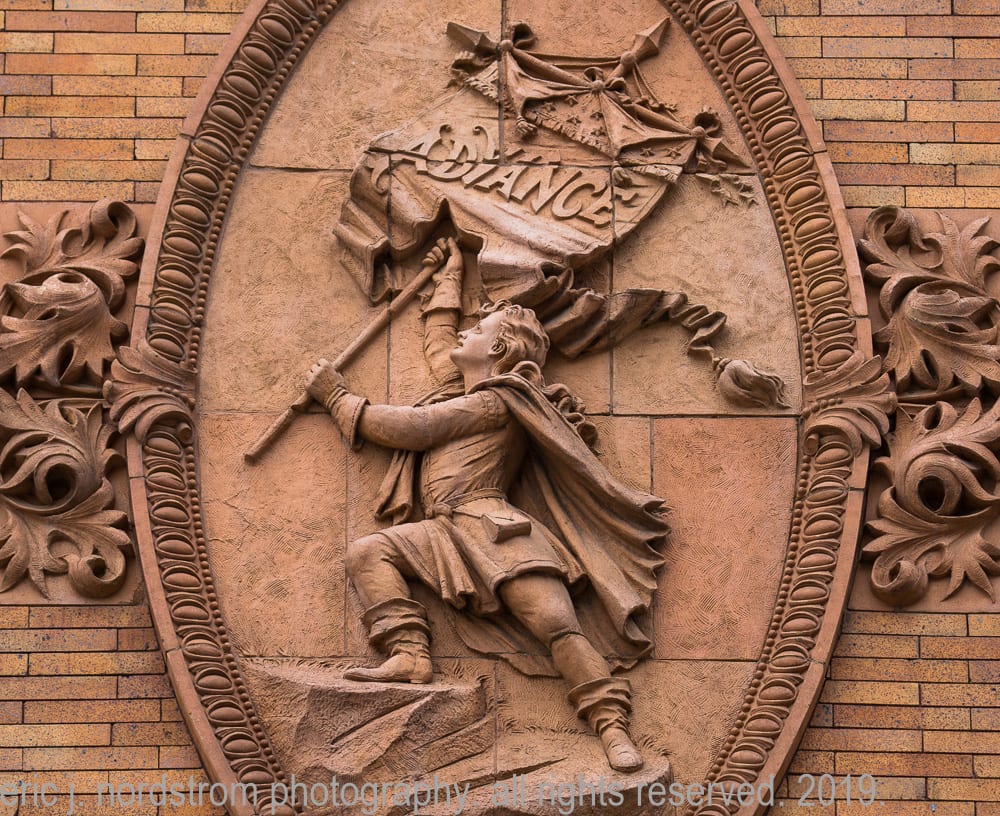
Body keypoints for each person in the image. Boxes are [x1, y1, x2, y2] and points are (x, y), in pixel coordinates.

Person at [306, 237, 669, 773]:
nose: (465, 333)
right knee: (369, 553)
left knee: (556, 624)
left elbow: (414, 427)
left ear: (497, 350)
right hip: (444, 528)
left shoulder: (493, 402)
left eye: (477, 331)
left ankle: (611, 724)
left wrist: (337, 397)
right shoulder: (458, 388)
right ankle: (409, 654)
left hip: (493, 528)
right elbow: (440, 341)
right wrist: (447, 277)